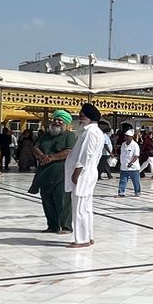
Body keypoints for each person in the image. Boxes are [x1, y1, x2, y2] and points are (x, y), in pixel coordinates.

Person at [66, 103, 106, 247]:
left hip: (83, 173)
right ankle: (88, 236)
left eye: (83, 114)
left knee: (80, 208)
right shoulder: (93, 131)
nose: (80, 117)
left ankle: (82, 239)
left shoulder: (90, 132)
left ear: (89, 116)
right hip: (88, 172)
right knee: (86, 207)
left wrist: (76, 173)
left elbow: (86, 155)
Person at [33, 110, 75, 234]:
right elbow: (35, 147)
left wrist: (52, 158)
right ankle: (52, 225)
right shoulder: (46, 135)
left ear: (65, 123)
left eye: (60, 120)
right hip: (45, 173)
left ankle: (66, 226)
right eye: (55, 119)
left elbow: (69, 151)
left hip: (61, 173)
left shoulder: (69, 136)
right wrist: (41, 156)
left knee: (62, 201)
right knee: (47, 200)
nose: (57, 121)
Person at [116, 128, 142, 197]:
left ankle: (137, 192)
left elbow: (136, 155)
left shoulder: (135, 145)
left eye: (128, 136)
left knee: (136, 181)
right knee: (123, 180)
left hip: (133, 167)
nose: (126, 137)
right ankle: (121, 192)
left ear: (131, 137)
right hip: (124, 166)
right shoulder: (123, 144)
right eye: (125, 136)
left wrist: (131, 163)